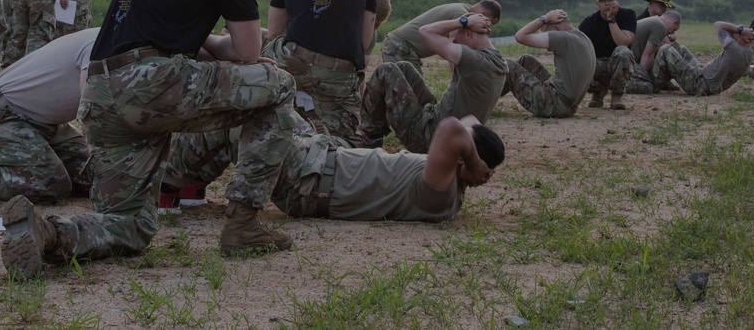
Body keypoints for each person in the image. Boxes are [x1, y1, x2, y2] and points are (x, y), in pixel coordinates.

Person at [0, 0, 297, 280]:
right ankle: (244, 223)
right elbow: (249, 51)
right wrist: (242, 56)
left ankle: (46, 233)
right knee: (279, 83)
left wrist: (211, 42)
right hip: (152, 85)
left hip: (102, 92)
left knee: (128, 227)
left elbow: (161, 27)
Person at [161, 114, 503, 222]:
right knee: (276, 97)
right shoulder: (447, 178)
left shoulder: (438, 195)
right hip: (316, 163)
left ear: (462, 159)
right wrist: (475, 165)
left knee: (243, 117)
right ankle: (193, 184)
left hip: (307, 182)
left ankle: (164, 186)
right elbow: (468, 123)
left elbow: (453, 128)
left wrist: (476, 165)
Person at [0, 28, 98, 201]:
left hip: (49, 123)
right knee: (48, 186)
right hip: (5, 114)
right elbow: (92, 114)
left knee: (98, 180)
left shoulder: (120, 46)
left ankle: (38, 157)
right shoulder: (99, 46)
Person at [265, 0, 377, 142]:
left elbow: (275, 30)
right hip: (337, 76)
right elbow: (365, 41)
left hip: (292, 65)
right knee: (340, 142)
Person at [360, 11, 507, 153]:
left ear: (468, 33)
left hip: (429, 138)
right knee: (405, 67)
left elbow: (425, 31)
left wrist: (463, 21)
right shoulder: (498, 61)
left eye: (455, 40)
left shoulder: (476, 61)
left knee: (386, 70)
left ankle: (370, 138)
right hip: (438, 122)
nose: (453, 43)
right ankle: (374, 132)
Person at [506, 9, 595, 118]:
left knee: (507, 65)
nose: (542, 34)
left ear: (556, 28)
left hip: (555, 105)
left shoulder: (563, 38)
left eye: (544, 31)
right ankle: (492, 94)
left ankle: (486, 100)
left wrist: (544, 18)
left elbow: (520, 36)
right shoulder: (582, 36)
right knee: (525, 60)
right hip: (568, 105)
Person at [381, 0, 502, 72]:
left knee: (414, 94)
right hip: (398, 46)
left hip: (407, 49)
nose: (487, 27)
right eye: (488, 23)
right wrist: (456, 83)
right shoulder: (461, 15)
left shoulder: (463, 9)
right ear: (483, 14)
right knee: (407, 94)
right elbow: (454, 49)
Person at [653, 21, 754, 96]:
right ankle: (665, 81)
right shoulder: (748, 52)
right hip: (707, 82)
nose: (731, 36)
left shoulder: (734, 49)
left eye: (734, 36)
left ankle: (654, 84)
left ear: (743, 39)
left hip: (698, 85)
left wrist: (740, 29)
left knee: (666, 49)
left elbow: (718, 24)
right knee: (680, 49)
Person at [578, 0, 636, 109]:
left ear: (617, 0)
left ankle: (617, 95)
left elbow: (624, 42)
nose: (607, 4)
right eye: (602, 0)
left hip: (618, 66)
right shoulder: (588, 22)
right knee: (577, 59)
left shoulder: (628, 15)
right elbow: (579, 48)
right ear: (597, 4)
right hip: (597, 65)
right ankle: (598, 92)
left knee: (623, 52)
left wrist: (611, 19)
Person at [626, 11, 682, 94]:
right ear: (674, 23)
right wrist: (641, 77)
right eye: (673, 30)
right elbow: (648, 55)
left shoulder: (655, 20)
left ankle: (663, 82)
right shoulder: (661, 27)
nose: (671, 33)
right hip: (630, 63)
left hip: (628, 59)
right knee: (648, 87)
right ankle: (623, 85)